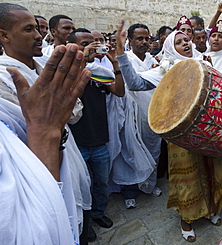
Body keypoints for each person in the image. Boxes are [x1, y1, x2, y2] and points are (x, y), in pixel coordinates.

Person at [115, 19, 222, 243]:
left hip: (208, 130)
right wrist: (120, 54)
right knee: (187, 176)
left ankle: (212, 209)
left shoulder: (204, 63)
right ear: (169, 48)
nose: (185, 43)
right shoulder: (165, 69)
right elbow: (136, 84)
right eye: (178, 42)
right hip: (181, 134)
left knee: (213, 170)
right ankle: (186, 219)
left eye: (186, 40)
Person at [0, 3, 91, 244]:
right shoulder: (4, 77)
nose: (39, 36)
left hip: (67, 155)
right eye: (29, 29)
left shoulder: (44, 69)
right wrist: (49, 126)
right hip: (37, 171)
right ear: (4, 35)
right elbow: (27, 131)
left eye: (37, 30)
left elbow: (73, 115)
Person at [67, 27, 125, 241]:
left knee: (101, 182)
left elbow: (119, 92)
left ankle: (98, 214)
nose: (90, 48)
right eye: (84, 45)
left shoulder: (98, 72)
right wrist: (82, 62)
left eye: (92, 43)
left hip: (99, 140)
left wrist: (115, 63)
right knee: (81, 187)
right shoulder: (66, 74)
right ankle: (85, 223)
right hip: (77, 143)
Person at [109, 23, 162, 209]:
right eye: (139, 38)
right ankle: (129, 191)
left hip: (150, 111)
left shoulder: (154, 60)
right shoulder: (126, 59)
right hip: (130, 112)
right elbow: (132, 83)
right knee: (130, 151)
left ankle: (149, 185)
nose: (144, 42)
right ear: (130, 40)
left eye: (147, 38)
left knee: (152, 148)